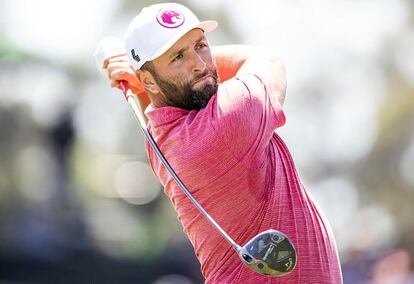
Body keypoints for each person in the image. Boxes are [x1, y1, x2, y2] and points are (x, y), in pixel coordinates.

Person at [100, 2, 343, 283]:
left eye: (201, 45)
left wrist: (146, 75)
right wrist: (140, 76)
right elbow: (267, 59)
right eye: (178, 57)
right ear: (149, 80)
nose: (200, 65)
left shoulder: (161, 141)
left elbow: (156, 105)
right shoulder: (228, 123)